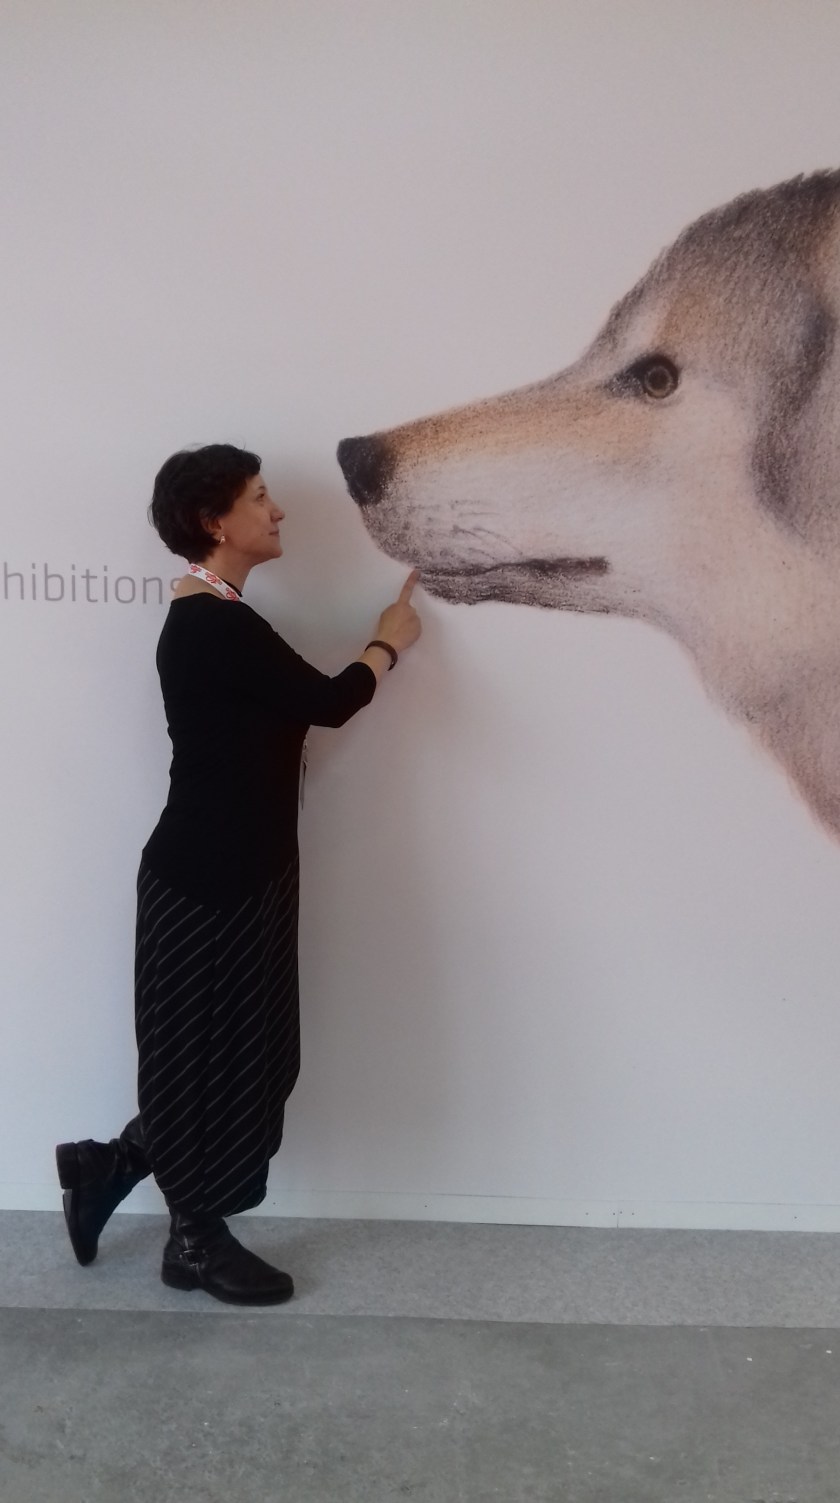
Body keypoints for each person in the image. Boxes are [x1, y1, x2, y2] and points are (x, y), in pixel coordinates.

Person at [56, 443, 421, 1306]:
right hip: (207, 883)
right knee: (205, 1065)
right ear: (214, 521)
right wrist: (388, 640)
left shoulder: (218, 617)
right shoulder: (212, 625)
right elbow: (330, 702)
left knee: (238, 1058)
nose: (277, 510)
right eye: (260, 497)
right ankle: (194, 1240)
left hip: (240, 875)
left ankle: (110, 1167)